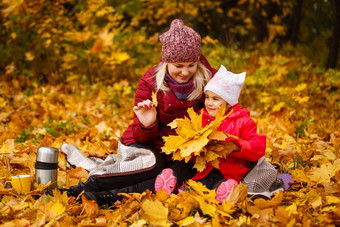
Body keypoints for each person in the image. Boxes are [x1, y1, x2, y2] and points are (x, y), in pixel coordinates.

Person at [57, 19, 218, 206]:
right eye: (178, 66)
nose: (185, 72)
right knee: (153, 164)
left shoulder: (211, 79)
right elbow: (141, 138)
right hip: (149, 145)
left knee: (170, 178)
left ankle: (109, 197)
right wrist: (147, 124)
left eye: (191, 65)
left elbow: (229, 110)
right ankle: (84, 188)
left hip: (185, 152)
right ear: (166, 62)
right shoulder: (150, 81)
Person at [154, 65, 284, 202]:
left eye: (216, 99)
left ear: (229, 103)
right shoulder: (201, 118)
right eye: (207, 97)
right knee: (193, 190)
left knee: (220, 187)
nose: (209, 103)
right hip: (205, 170)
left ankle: (227, 193)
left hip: (230, 172)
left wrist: (236, 146)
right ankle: (172, 189)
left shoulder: (243, 122)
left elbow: (258, 147)